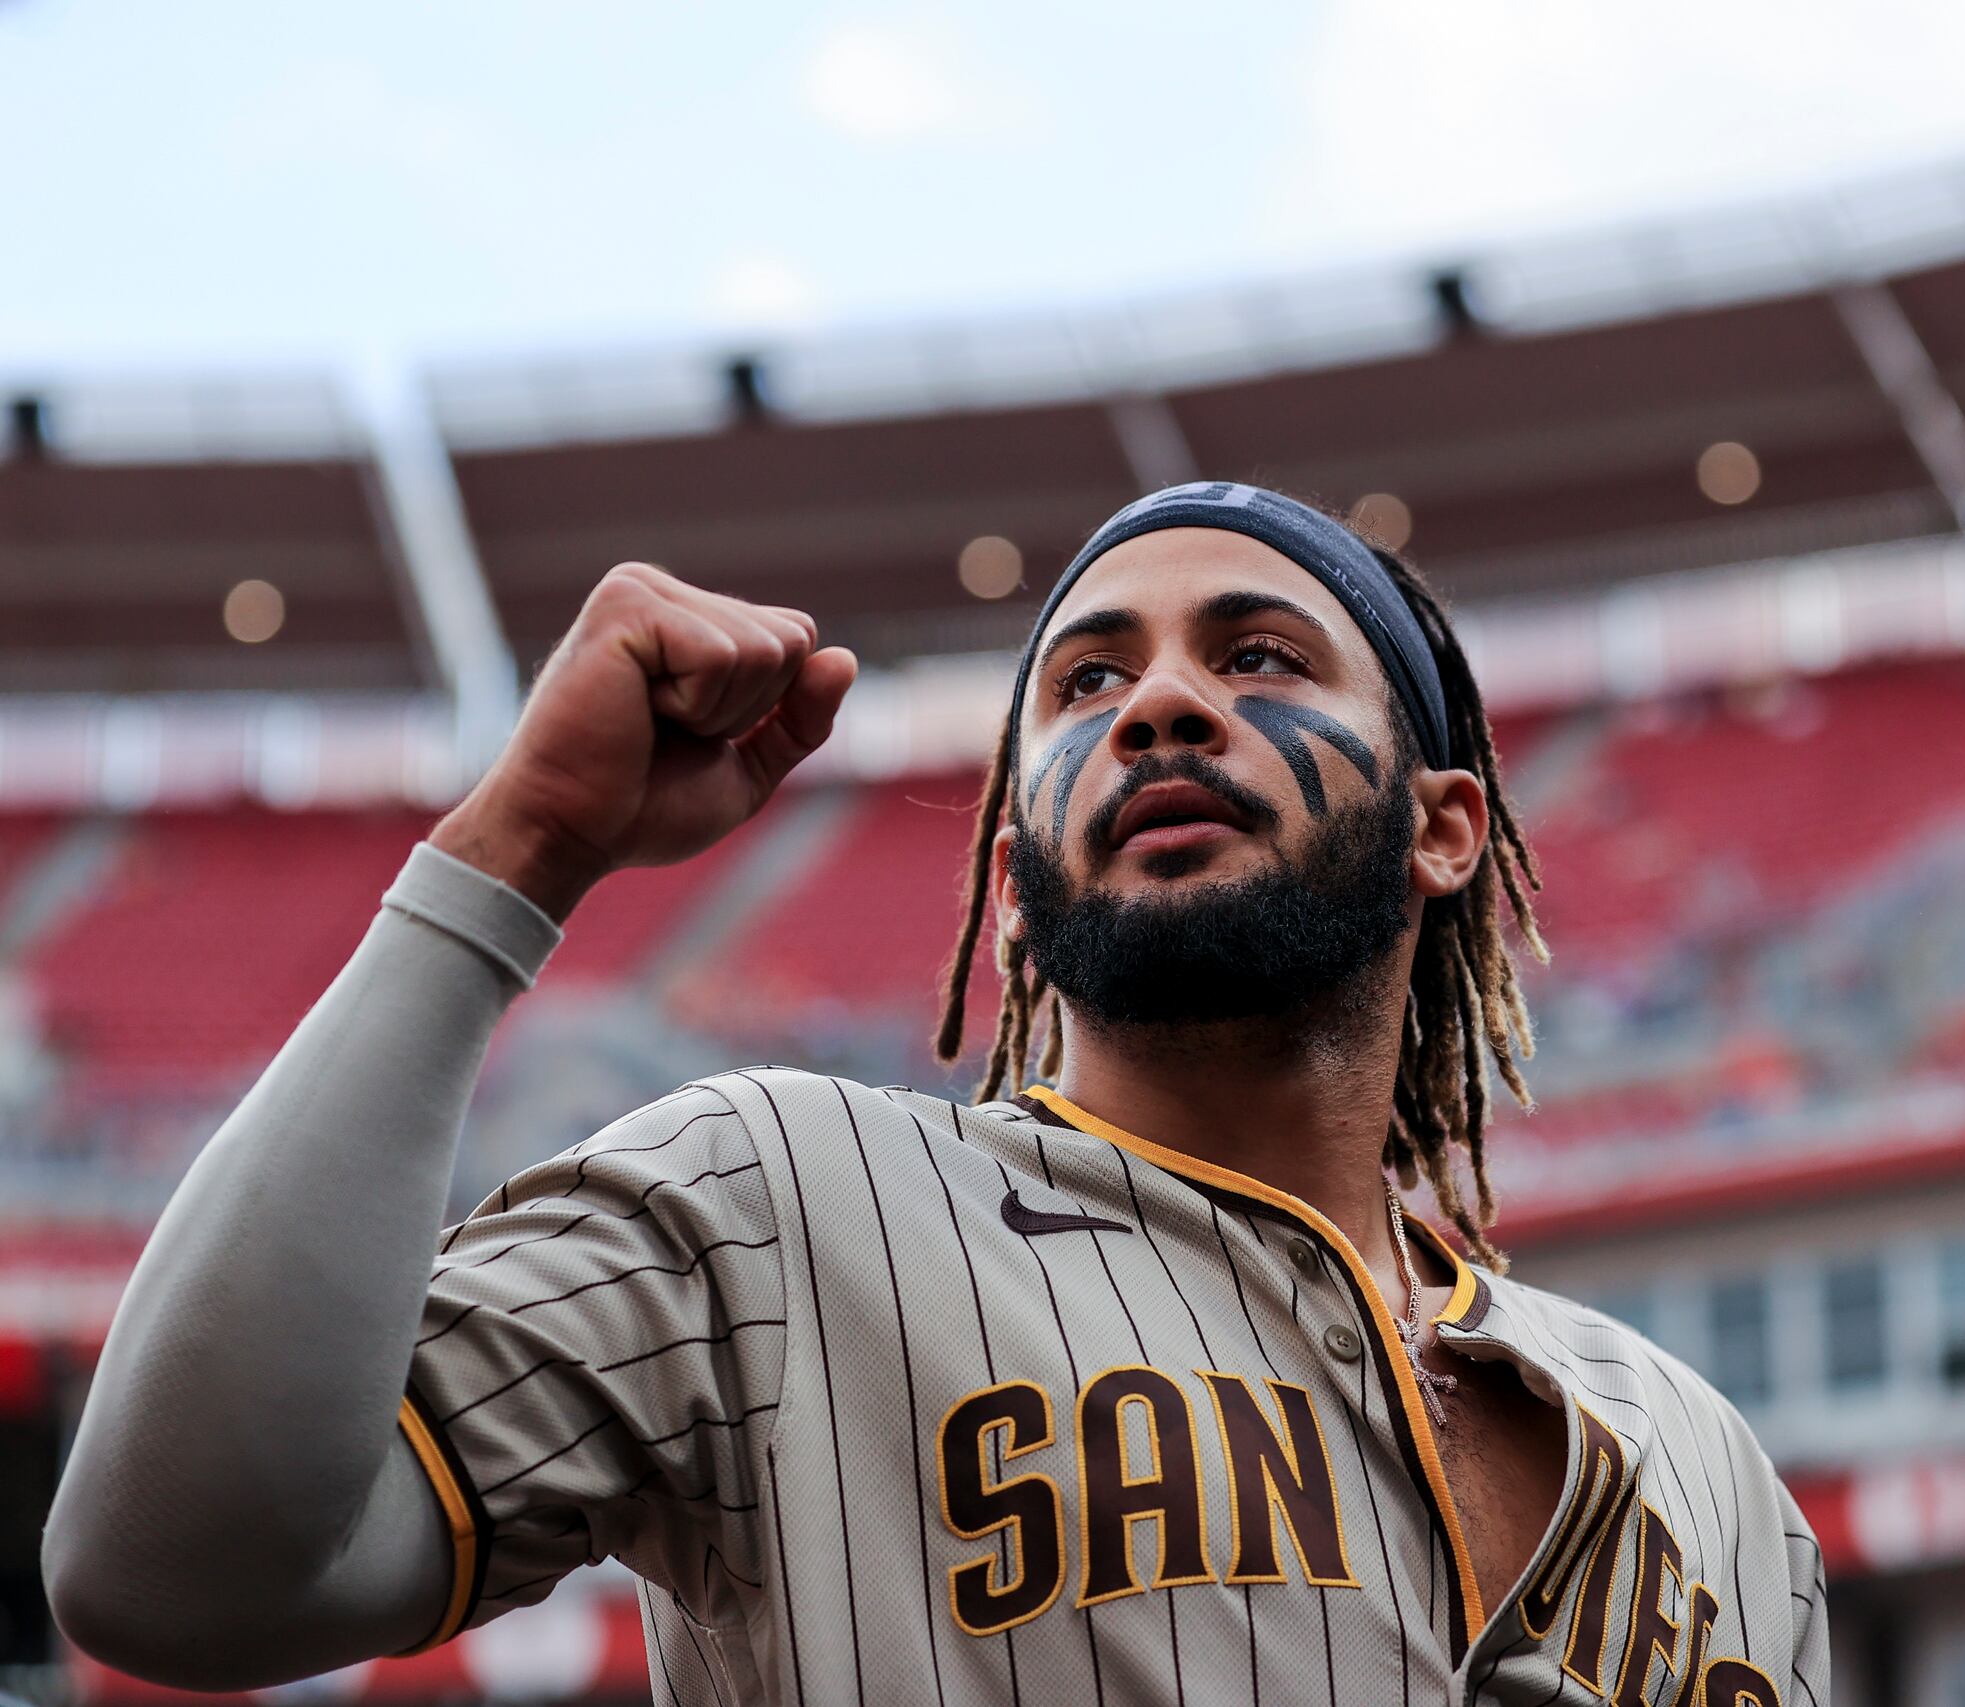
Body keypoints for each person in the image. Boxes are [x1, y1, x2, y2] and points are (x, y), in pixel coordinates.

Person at [43, 482, 1829, 1706]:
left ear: (1446, 830)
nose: (1159, 709)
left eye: (1260, 655)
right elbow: (170, 1563)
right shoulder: (774, 1200)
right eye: (1089, 680)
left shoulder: (1707, 1463)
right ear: (1016, 864)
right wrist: (514, 851)